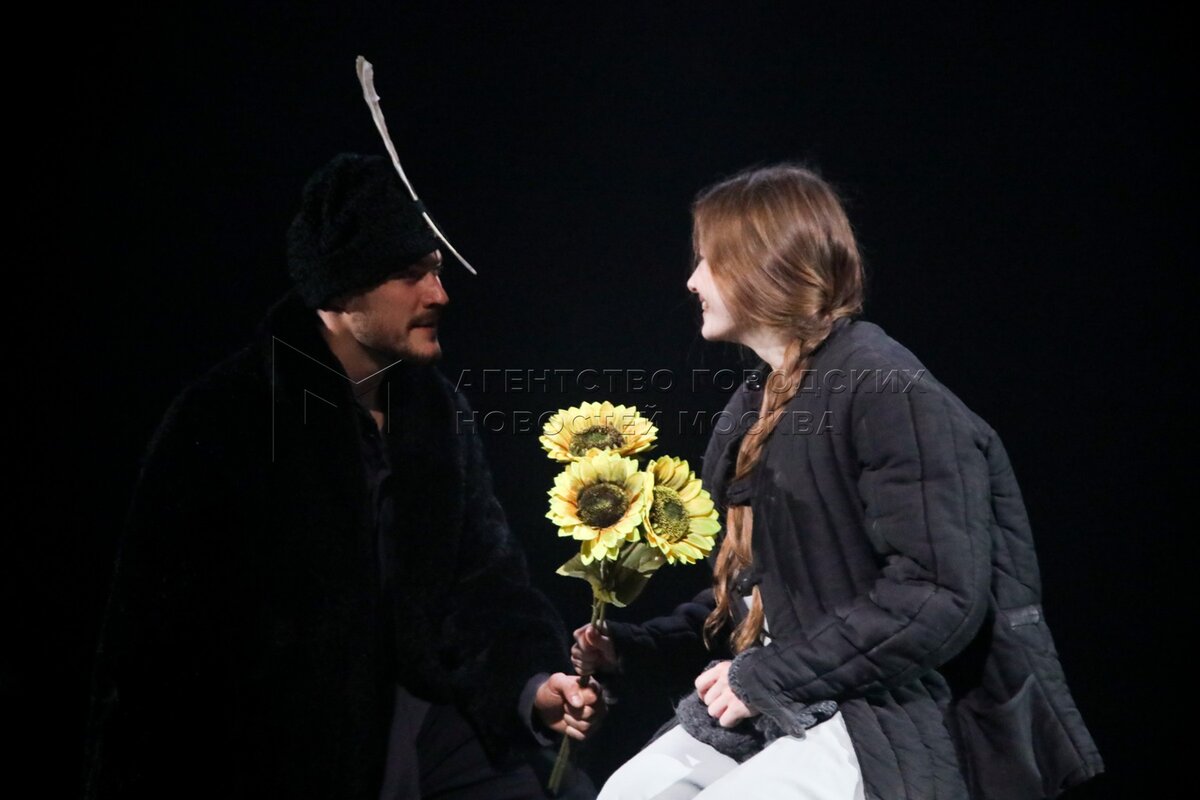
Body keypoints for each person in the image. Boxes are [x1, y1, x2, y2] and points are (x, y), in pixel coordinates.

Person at [573, 164, 1104, 799]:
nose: (692, 281)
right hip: (786, 700)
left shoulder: (887, 390)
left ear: (761, 264)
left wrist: (767, 676)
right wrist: (633, 650)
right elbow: (758, 603)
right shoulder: (751, 409)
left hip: (879, 715)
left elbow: (937, 595)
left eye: (708, 260)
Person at [85, 153, 603, 799]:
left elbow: (483, 585)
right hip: (287, 757)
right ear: (339, 291)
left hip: (428, 726)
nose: (438, 295)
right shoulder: (229, 418)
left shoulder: (434, 413)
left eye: (436, 271)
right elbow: (155, 649)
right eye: (409, 275)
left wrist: (531, 686)